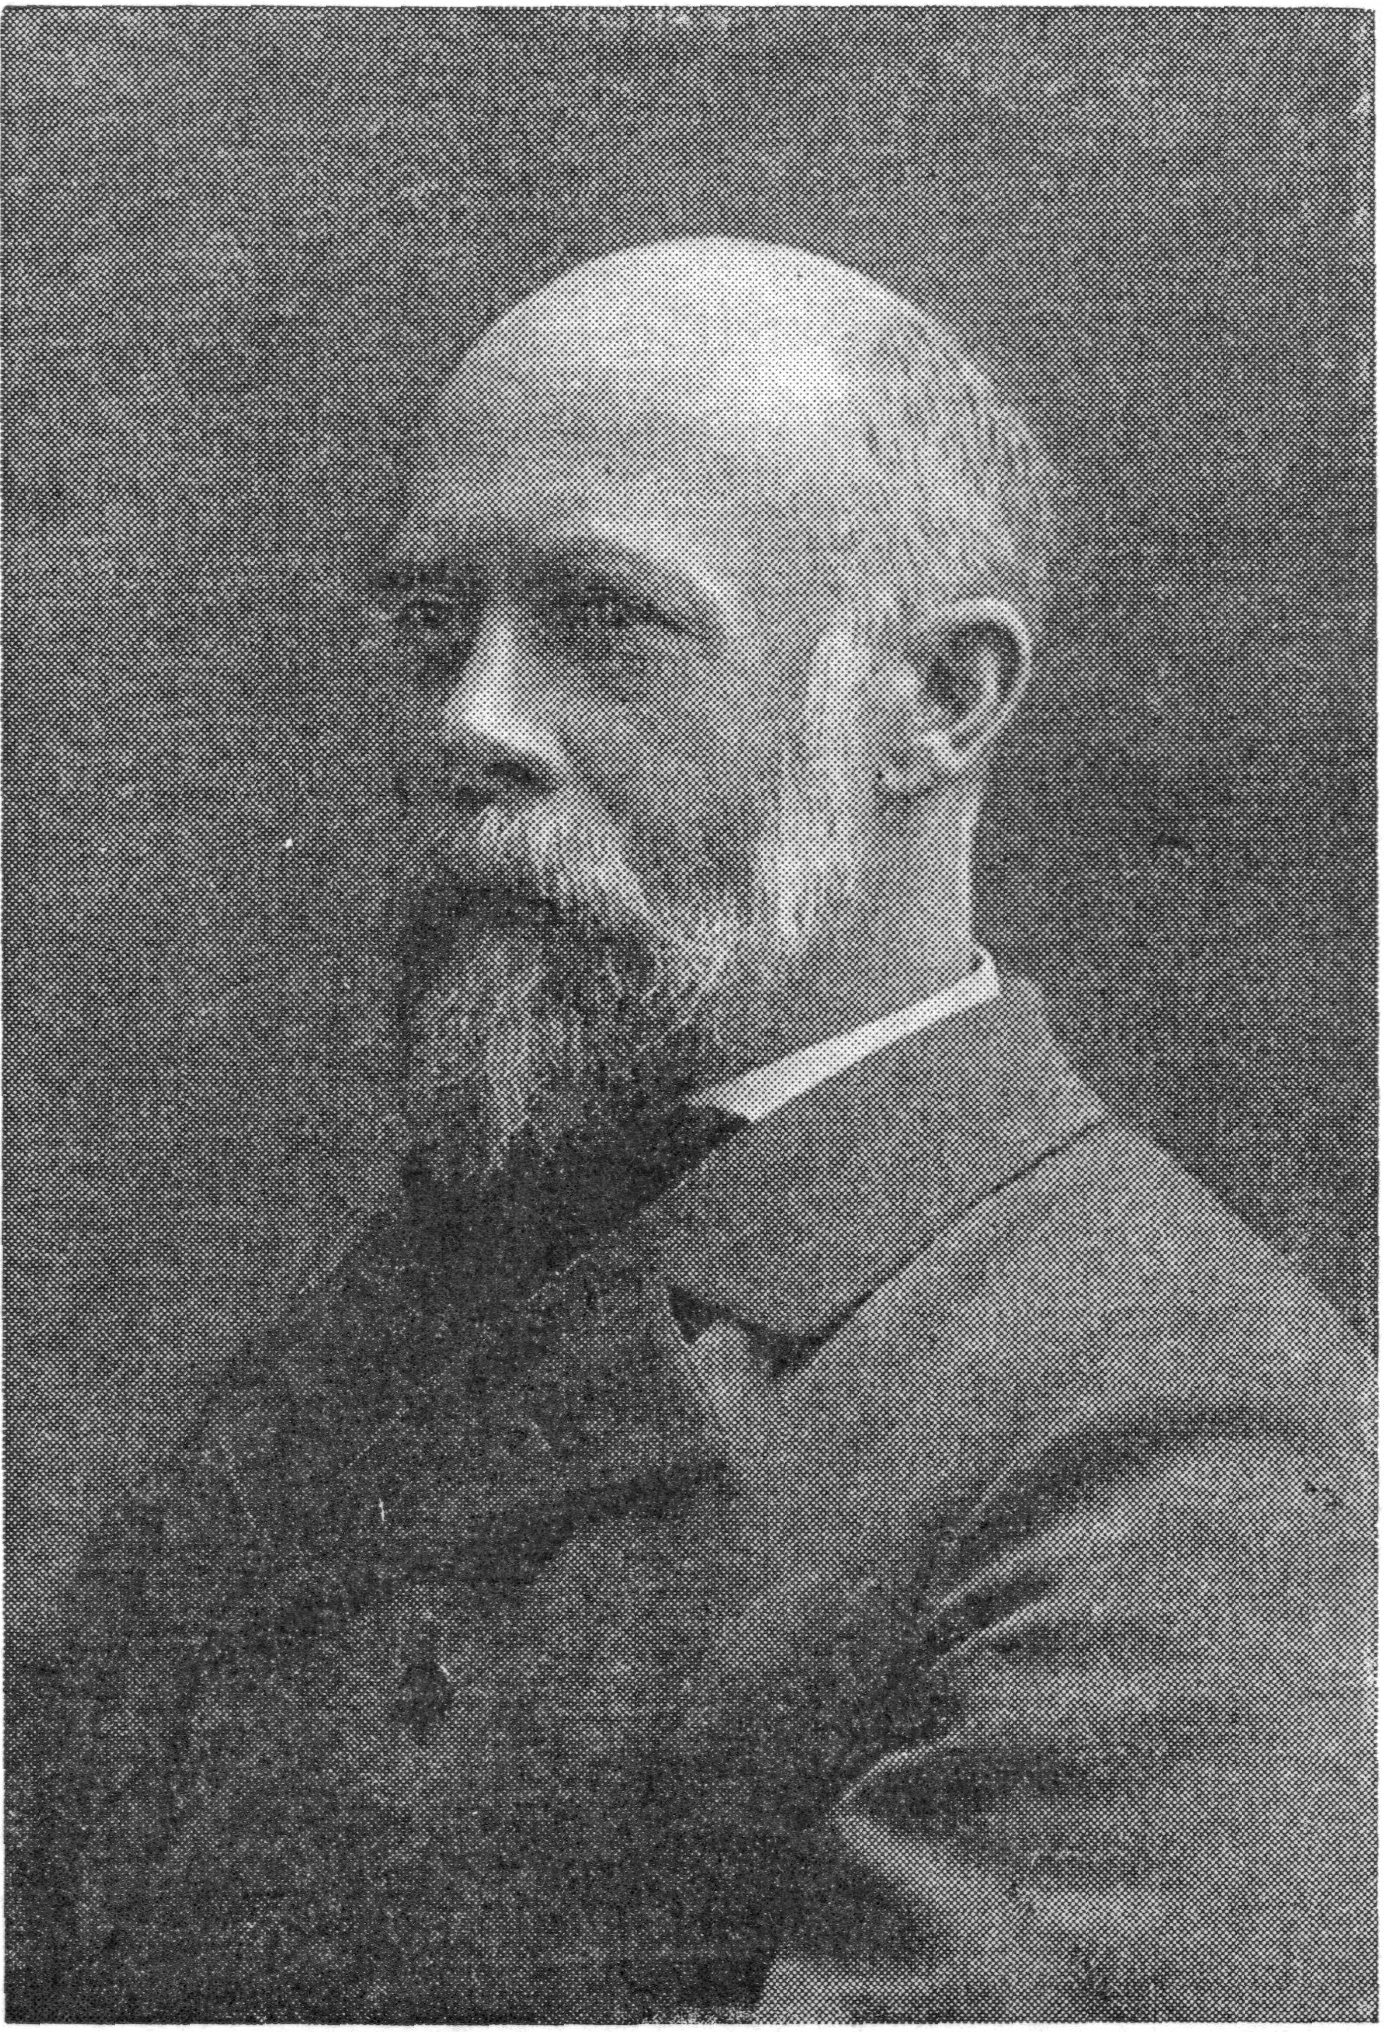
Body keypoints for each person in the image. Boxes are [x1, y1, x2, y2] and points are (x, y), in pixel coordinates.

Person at [17, 239, 1372, 2022]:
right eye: (434, 629)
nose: (472, 723)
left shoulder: (1183, 1435)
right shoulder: (421, 1285)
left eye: (605, 622)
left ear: (939, 700)